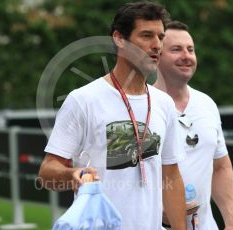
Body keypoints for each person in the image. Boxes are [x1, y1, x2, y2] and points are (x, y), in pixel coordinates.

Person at [38, 2, 187, 229]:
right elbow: (47, 172)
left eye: (160, 36)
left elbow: (172, 175)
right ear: (119, 38)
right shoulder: (83, 100)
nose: (157, 45)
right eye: (146, 35)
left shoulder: (164, 103)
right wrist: (73, 174)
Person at [154, 21, 233, 229]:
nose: (186, 56)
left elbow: (221, 167)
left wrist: (232, 223)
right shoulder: (143, 107)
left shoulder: (206, 104)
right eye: (176, 49)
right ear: (156, 57)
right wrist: (161, 211)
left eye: (190, 49)